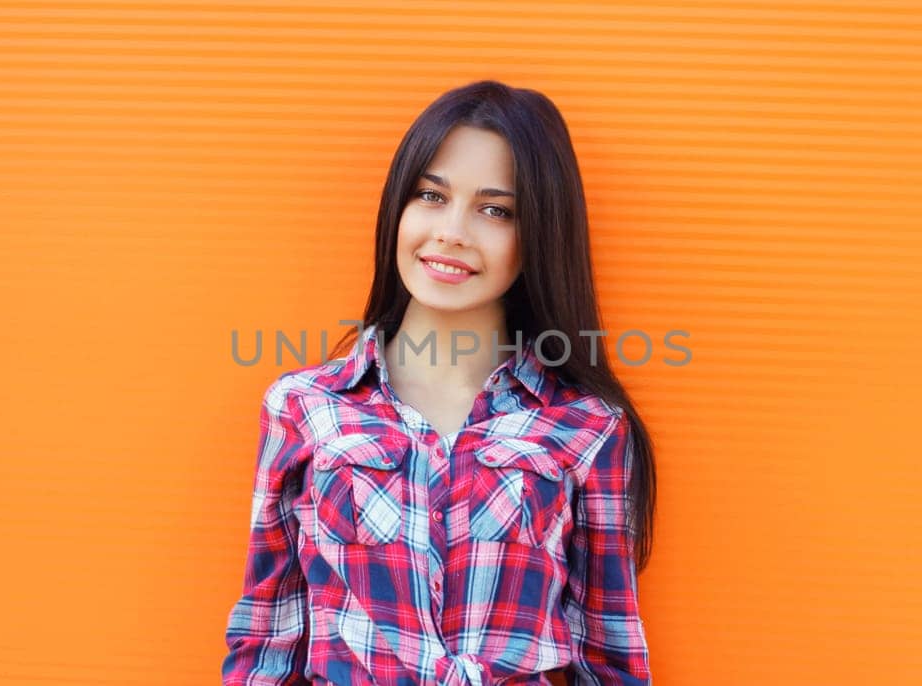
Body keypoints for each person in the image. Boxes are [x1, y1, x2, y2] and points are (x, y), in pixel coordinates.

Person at [221, 80, 656, 685]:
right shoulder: (304, 407)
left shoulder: (587, 427)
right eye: (431, 195)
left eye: (495, 210)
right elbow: (266, 639)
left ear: (538, 236)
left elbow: (609, 657)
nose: (452, 230)